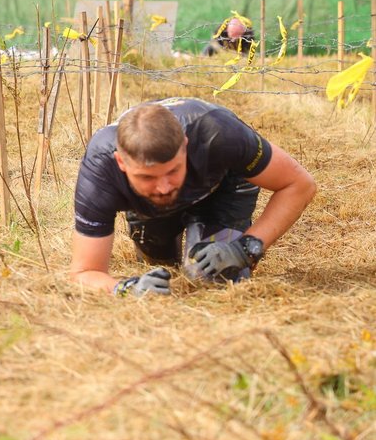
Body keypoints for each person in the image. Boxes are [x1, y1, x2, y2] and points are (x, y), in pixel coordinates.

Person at [69, 98, 316, 297]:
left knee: (213, 278)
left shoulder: (218, 133)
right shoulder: (100, 168)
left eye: (173, 170)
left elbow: (299, 184)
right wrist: (125, 289)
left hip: (222, 189)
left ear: (185, 146)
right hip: (150, 208)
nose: (164, 187)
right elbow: (84, 271)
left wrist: (245, 248)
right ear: (121, 162)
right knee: (160, 274)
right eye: (147, 177)